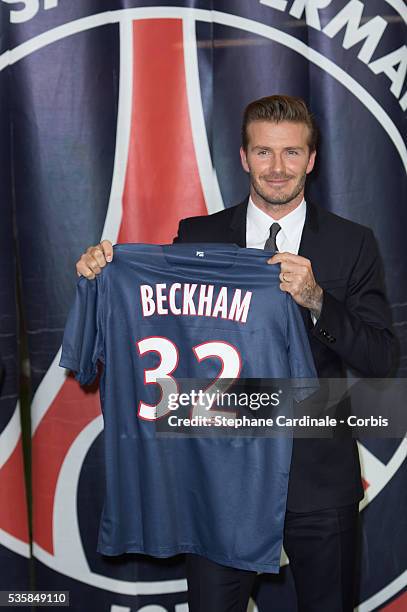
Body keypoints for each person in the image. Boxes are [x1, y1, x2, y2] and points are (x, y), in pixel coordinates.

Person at [76, 95, 397, 612]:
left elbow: (382, 358)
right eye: (264, 153)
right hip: (221, 475)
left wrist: (317, 300)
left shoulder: (351, 243)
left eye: (292, 153)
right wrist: (102, 275)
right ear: (244, 157)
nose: (277, 168)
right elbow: (154, 318)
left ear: (311, 159)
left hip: (318, 471)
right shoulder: (196, 236)